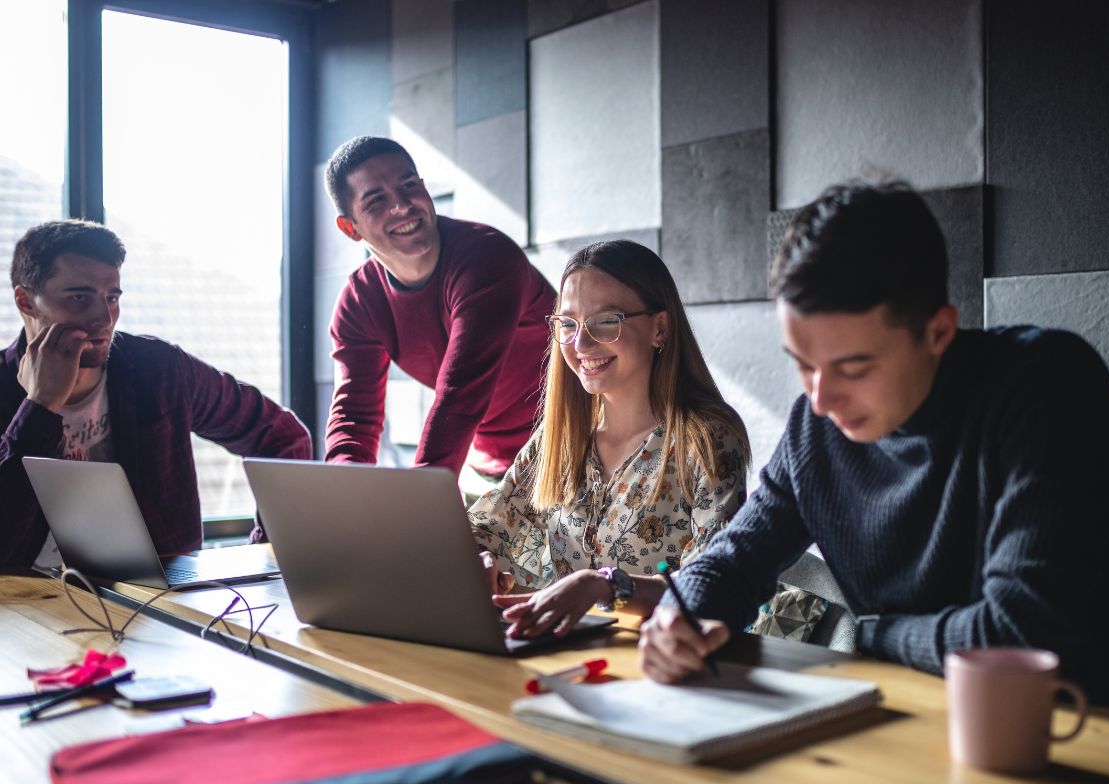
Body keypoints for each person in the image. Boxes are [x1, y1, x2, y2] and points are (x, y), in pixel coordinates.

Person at [638, 182, 1109, 710]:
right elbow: (734, 558)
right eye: (803, 363)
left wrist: (876, 635)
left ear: (938, 332)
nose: (821, 399)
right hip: (910, 722)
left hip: (1074, 735)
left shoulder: (1049, 386)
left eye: (854, 368)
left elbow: (1022, 636)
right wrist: (680, 614)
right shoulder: (816, 431)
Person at [471, 240, 750, 639]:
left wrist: (606, 585)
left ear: (660, 328)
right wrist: (477, 556)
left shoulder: (706, 442)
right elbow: (488, 525)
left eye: (606, 322)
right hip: (569, 658)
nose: (581, 345)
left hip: (665, 664)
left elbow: (710, 582)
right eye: (567, 324)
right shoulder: (559, 441)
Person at [1, 220, 312, 570]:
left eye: (112, 297)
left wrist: (264, 556)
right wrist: (40, 406)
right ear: (25, 301)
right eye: (79, 297)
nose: (104, 317)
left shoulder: (159, 370)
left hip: (154, 608)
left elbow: (284, 438)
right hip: (25, 612)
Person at [323, 136, 556, 495]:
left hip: (571, 444)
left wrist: (421, 504)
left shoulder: (486, 259)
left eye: (409, 185)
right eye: (377, 200)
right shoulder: (358, 304)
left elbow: (459, 397)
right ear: (350, 227)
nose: (402, 205)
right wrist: (343, 495)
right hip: (489, 467)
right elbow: (355, 418)